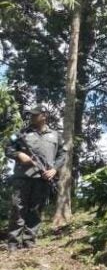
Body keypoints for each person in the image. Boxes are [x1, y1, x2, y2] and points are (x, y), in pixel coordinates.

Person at [4, 105, 65, 251]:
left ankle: (29, 244)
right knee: (18, 209)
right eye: (30, 115)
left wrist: (54, 170)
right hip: (22, 178)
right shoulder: (20, 133)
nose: (31, 117)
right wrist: (19, 155)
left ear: (44, 116)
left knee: (36, 211)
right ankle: (13, 244)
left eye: (35, 115)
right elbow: (8, 148)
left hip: (43, 179)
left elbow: (63, 155)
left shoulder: (56, 135)